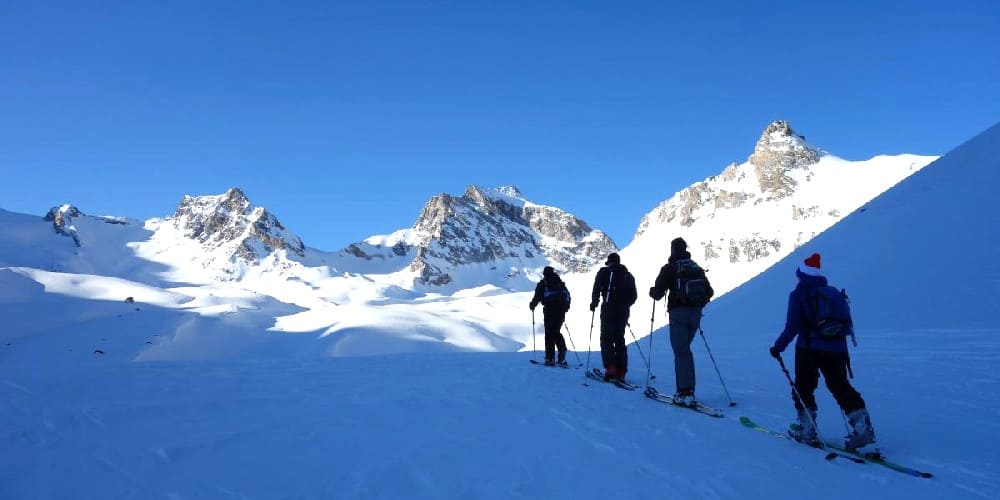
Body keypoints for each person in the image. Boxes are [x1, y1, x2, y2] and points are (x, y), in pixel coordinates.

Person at [769, 252, 877, 451]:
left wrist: (778, 347)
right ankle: (863, 429)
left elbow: (792, 327)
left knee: (804, 386)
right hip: (837, 349)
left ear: (801, 274)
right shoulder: (832, 292)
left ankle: (808, 429)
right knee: (840, 386)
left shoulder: (799, 294)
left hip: (808, 348)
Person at [648, 237, 714, 405]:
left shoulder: (670, 268)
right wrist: (698, 305)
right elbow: (710, 291)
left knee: (681, 351)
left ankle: (685, 392)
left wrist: (652, 291)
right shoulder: (696, 268)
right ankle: (686, 390)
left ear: (673, 250)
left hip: (678, 313)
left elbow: (658, 293)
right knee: (685, 350)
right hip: (695, 314)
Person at [590, 253, 637, 382]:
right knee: (619, 338)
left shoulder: (604, 272)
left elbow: (596, 289)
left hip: (608, 308)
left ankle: (611, 368)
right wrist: (625, 305)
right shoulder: (628, 275)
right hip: (623, 311)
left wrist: (594, 302)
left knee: (606, 338)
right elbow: (634, 296)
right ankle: (621, 371)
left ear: (609, 262)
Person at [529, 266, 570, 366]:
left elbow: (537, 297)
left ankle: (550, 358)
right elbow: (568, 296)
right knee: (556, 331)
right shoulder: (560, 283)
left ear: (544, 274)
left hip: (549, 310)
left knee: (549, 334)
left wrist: (532, 305)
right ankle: (562, 354)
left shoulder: (543, 283)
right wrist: (565, 309)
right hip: (561, 311)